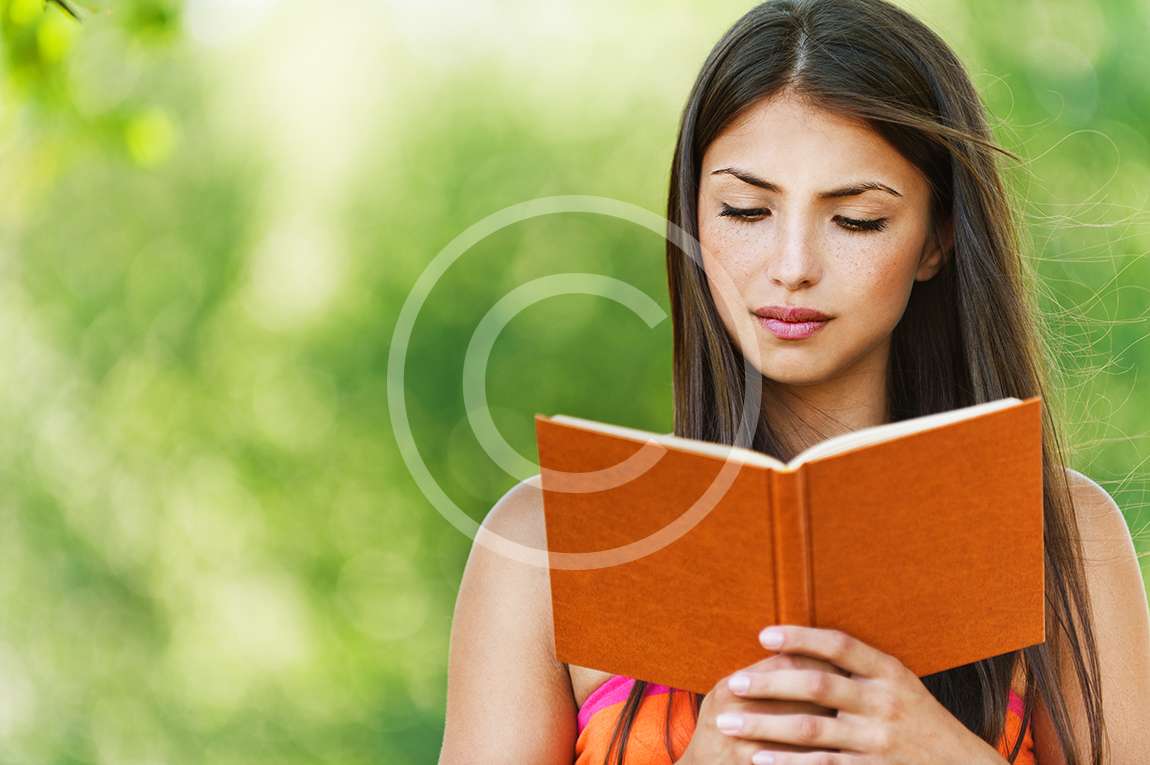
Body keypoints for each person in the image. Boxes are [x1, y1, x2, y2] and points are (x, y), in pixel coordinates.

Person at [438, 0, 1150, 762]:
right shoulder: (547, 545)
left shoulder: (1063, 534)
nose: (791, 265)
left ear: (937, 239)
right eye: (745, 210)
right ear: (692, 216)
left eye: (857, 221)